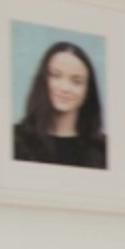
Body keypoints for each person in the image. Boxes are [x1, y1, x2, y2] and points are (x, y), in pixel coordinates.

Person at [11, 38, 107, 168]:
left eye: (76, 81)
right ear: (43, 81)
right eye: (56, 76)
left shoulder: (104, 150)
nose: (65, 88)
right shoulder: (15, 140)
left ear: (88, 92)